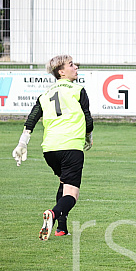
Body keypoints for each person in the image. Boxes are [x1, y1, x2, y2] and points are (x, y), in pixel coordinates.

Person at [12, 55, 94, 240]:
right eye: (71, 64)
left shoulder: (45, 94)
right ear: (61, 71)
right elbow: (87, 118)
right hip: (71, 146)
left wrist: (22, 143)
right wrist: (88, 137)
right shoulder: (78, 89)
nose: (76, 67)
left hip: (49, 150)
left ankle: (61, 229)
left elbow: (32, 118)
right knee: (72, 194)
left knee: (64, 183)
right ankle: (53, 214)